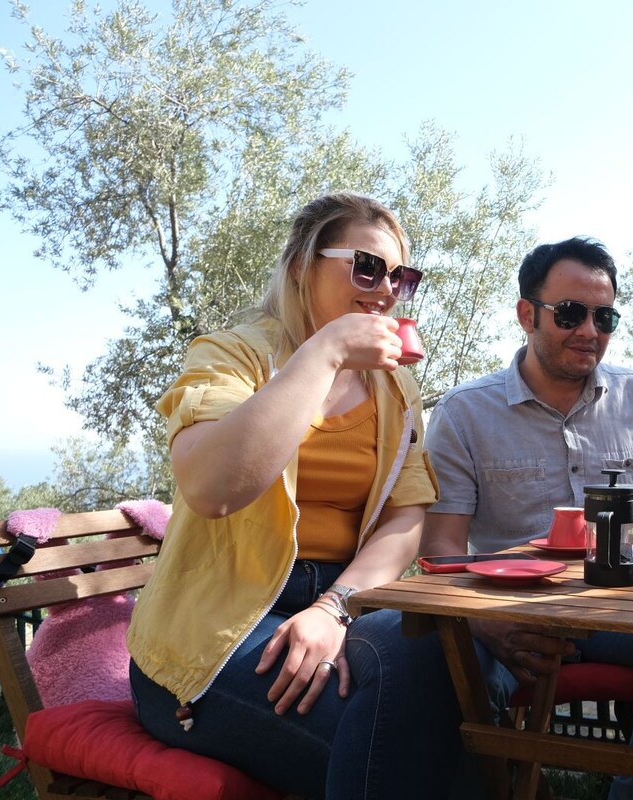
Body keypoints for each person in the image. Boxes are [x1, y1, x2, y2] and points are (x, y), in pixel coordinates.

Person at [125, 192, 462, 799]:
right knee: (394, 747)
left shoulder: (396, 389)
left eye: (402, 276)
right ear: (303, 266)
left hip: (341, 601)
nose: (386, 289)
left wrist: (333, 607)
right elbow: (214, 488)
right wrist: (326, 353)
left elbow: (405, 519)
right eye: (367, 266)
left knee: (429, 668)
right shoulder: (231, 356)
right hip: (219, 626)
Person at [422, 236, 633, 800]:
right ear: (526, 314)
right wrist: (484, 624)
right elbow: (443, 547)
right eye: (569, 313)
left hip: (621, 611)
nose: (589, 330)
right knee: (442, 670)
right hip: (512, 618)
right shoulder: (465, 413)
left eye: (604, 315)